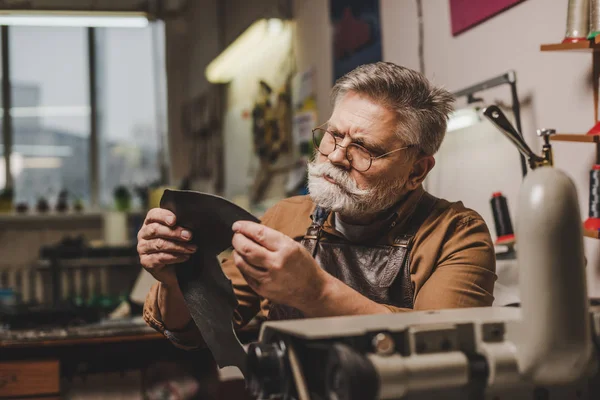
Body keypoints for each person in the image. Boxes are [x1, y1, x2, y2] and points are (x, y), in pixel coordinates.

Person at [139, 62, 496, 349]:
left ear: (416, 170)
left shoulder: (457, 235)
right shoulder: (285, 217)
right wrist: (177, 280)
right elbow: (198, 331)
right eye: (334, 135)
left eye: (365, 149)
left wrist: (316, 291)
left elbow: (444, 348)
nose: (337, 156)